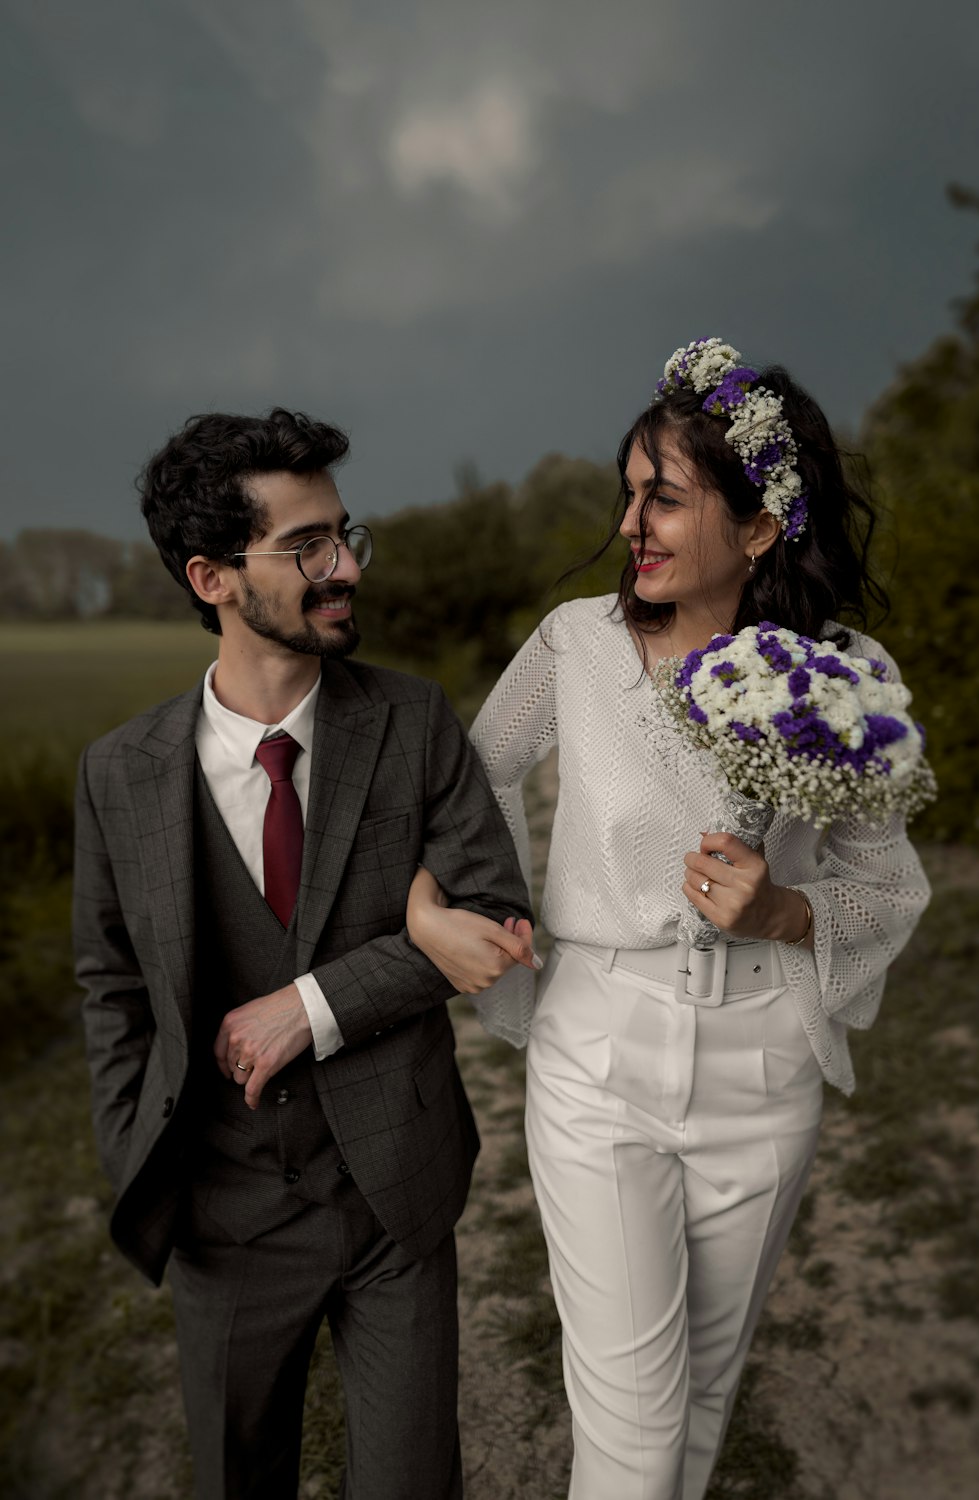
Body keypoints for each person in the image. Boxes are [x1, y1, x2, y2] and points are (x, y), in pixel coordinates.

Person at [406, 339, 932, 1500]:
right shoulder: (573, 648)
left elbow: (888, 884)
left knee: (700, 1395)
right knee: (634, 1423)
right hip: (598, 1052)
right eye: (628, 493)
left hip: (764, 1065)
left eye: (666, 498)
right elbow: (469, 782)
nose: (633, 524)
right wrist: (478, 911)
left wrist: (786, 908)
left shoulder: (842, 672)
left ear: (755, 529)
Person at [73, 407, 537, 1500]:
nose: (344, 570)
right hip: (220, 1223)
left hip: (394, 1205)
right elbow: (110, 985)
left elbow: (495, 918)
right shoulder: (118, 775)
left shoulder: (414, 723)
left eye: (345, 536)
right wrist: (137, 1149)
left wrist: (313, 1004)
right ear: (212, 577)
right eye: (306, 548)